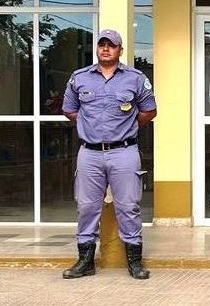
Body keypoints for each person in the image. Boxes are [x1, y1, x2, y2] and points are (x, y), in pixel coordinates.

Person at [61, 28, 157, 280]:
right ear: (97, 49)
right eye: (102, 44)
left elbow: (149, 110)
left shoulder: (135, 78)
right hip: (89, 153)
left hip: (124, 152)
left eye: (111, 45)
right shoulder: (79, 78)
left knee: (129, 206)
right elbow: (70, 110)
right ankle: (85, 261)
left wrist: (130, 126)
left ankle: (135, 262)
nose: (106, 49)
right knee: (86, 206)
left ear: (120, 50)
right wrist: (88, 126)